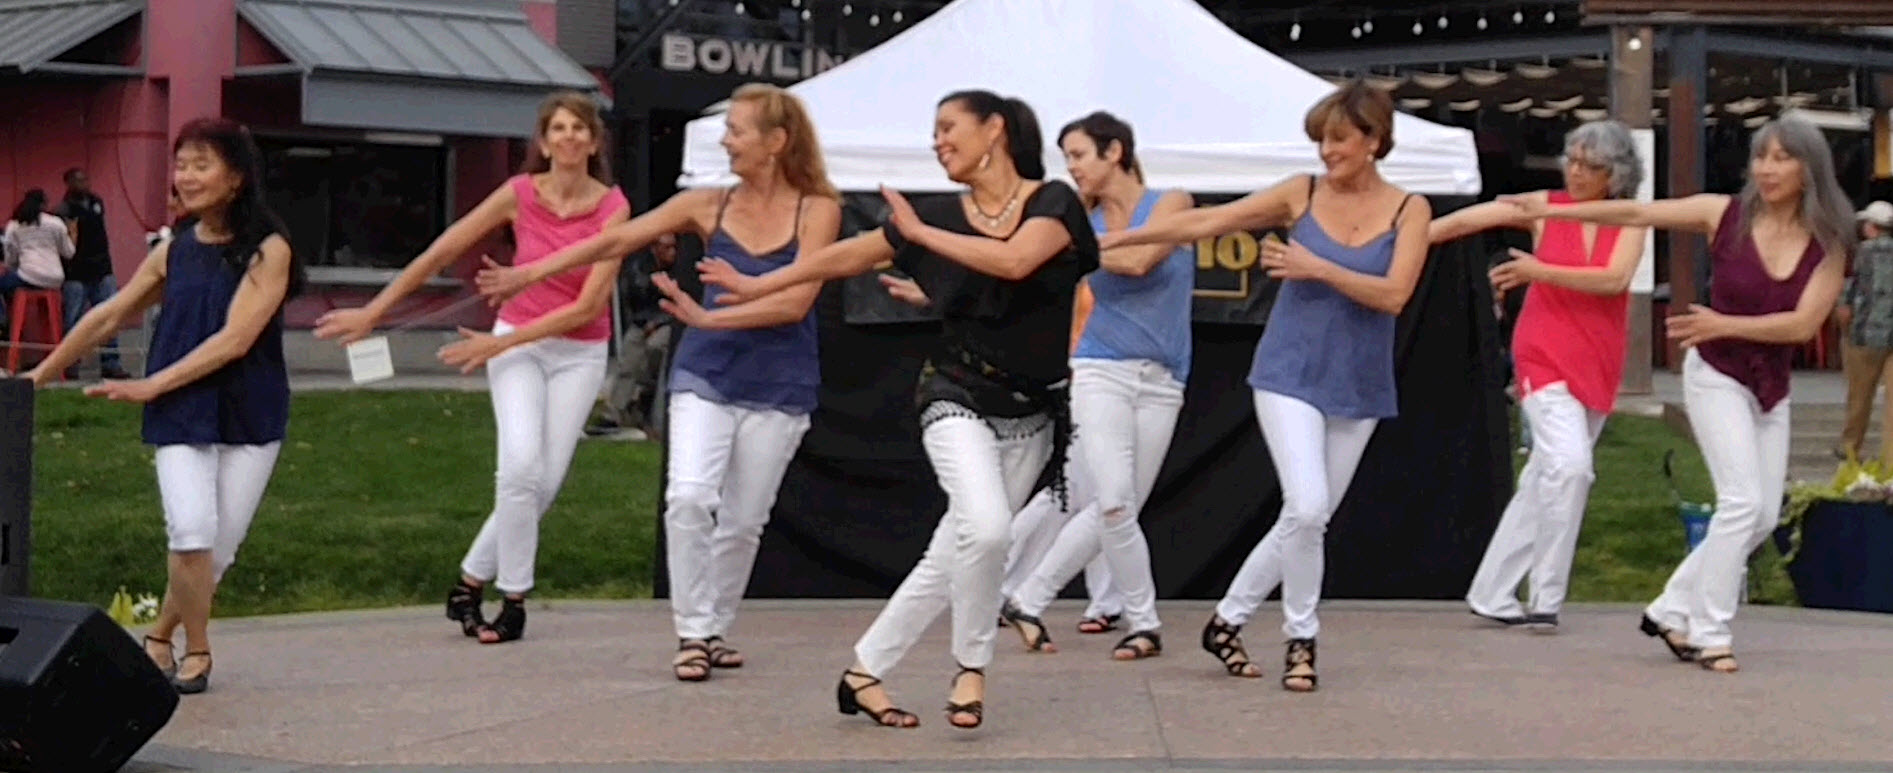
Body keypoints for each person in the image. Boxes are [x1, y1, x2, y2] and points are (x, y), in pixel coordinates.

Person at [697, 89, 1096, 729]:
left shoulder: (1053, 203)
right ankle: (971, 669)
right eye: (932, 131)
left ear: (994, 129)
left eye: (948, 127)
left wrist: (919, 236)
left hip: (1032, 415)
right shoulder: (939, 215)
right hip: (955, 392)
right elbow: (845, 254)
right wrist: (760, 282)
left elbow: (1017, 259)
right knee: (989, 529)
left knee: (955, 551)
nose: (937, 141)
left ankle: (863, 673)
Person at [474, 83, 841, 678]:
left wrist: (711, 315)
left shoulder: (818, 208)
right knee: (690, 497)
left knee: (745, 520)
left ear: (776, 142)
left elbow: (797, 302)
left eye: (737, 130)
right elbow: (616, 238)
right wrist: (533, 270)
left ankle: (715, 625)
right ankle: (693, 633)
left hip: (780, 383)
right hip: (705, 372)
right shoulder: (706, 203)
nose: (726, 140)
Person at [1102, 80, 1431, 692]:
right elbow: (1210, 221)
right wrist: (1120, 239)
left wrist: (1316, 268)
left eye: (1338, 140)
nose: (1326, 153)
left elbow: (1394, 295)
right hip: (1289, 374)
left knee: (1309, 520)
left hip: (1357, 385)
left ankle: (1226, 619)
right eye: (1321, 141)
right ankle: (1300, 640)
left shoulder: (1410, 210)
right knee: (1306, 506)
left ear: (1374, 140)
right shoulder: (1299, 193)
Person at [1504, 114, 1851, 673]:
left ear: (1811, 168)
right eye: (1761, 156)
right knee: (1740, 502)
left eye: (1782, 158)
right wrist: (1554, 209)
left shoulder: (1831, 242)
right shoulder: (1723, 213)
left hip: (1770, 385)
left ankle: (1670, 607)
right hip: (1714, 374)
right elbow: (1638, 212)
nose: (1766, 168)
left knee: (1762, 516)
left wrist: (1726, 324)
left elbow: (1800, 326)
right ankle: (1710, 630)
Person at [313, 90, 629, 645]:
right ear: (543, 141)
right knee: (518, 470)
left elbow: (586, 306)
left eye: (580, 128)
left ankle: (467, 582)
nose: (570, 137)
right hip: (516, 343)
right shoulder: (519, 193)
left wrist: (493, 339)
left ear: (595, 142)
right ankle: (512, 600)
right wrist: (374, 311)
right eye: (559, 128)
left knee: (544, 484)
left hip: (577, 350)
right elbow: (440, 251)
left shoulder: (613, 209)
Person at [22, 117, 303, 694]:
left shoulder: (269, 250)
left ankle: (156, 639)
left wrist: (150, 385)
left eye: (202, 164)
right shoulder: (175, 249)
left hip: (250, 413)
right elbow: (108, 314)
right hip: (181, 414)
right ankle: (196, 651)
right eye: (182, 164)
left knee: (216, 555)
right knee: (191, 531)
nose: (187, 176)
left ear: (237, 178)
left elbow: (235, 339)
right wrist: (39, 374)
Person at [1427, 120, 1649, 632]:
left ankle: (1492, 591)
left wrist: (1537, 271)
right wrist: (1410, 236)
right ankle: (1547, 595)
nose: (1575, 172)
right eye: (1571, 160)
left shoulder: (1632, 220)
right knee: (1571, 468)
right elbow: (1475, 218)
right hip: (1543, 353)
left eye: (1589, 165)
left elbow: (1613, 280)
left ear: (1614, 175)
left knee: (1544, 478)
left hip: (1596, 358)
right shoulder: (1547, 206)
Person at [1000, 111, 1194, 661]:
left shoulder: (1172, 204)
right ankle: (1144, 621)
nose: (1073, 169)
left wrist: (1072, 248)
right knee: (1110, 501)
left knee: (1118, 504)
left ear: (1116, 152)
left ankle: (1029, 598)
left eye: (1080, 155)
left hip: (1164, 379)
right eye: (1067, 159)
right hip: (1100, 369)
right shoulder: (1075, 224)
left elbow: (1138, 260)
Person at [55, 168, 133, 379]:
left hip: (102, 269)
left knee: (110, 317)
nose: (84, 183)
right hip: (76, 274)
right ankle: (71, 365)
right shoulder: (64, 210)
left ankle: (111, 364)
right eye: (78, 180)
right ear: (68, 183)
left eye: (86, 178)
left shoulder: (96, 202)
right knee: (73, 321)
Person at [1833, 201, 1893, 461]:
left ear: (1871, 227)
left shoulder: (1865, 252)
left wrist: (1845, 310)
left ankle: (1850, 448)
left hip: (1866, 334)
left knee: (1860, 396)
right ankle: (1890, 459)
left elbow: (1856, 286)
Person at [2, 190, 72, 327]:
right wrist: (73, 234)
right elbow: (68, 253)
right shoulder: (56, 223)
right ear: (45, 205)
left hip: (29, 275)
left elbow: (10, 259)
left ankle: (3, 321)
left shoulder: (15, 225)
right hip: (55, 278)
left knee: (6, 283)